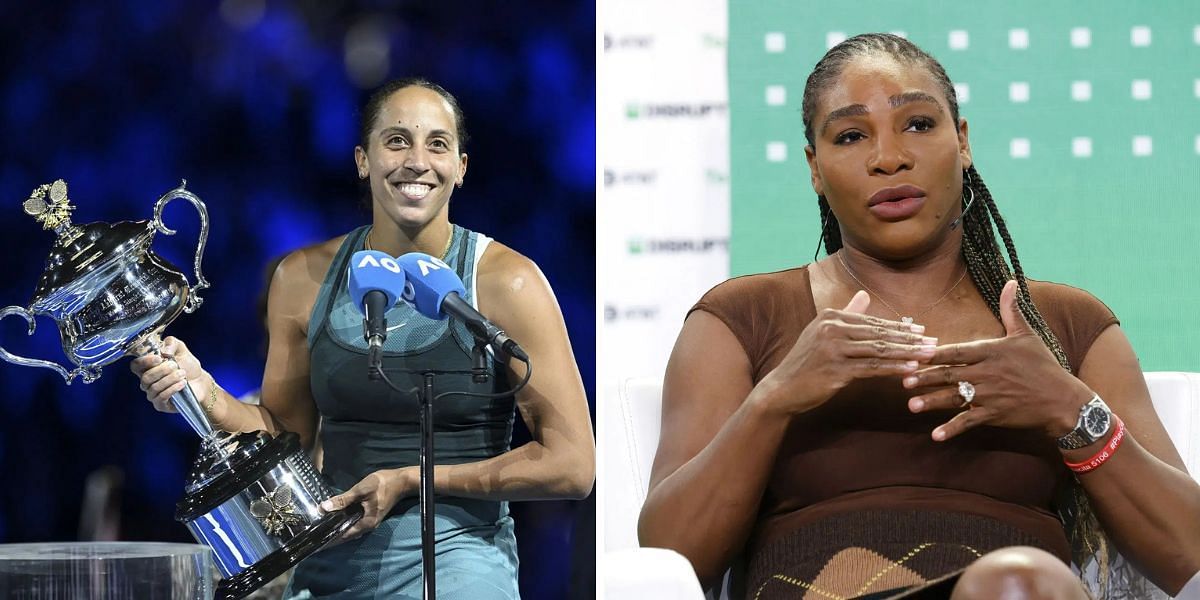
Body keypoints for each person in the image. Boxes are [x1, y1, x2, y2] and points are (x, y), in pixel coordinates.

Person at [637, 34, 1200, 599]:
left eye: (919, 125)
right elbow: (668, 561)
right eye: (852, 135)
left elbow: (1191, 557)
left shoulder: (1069, 324)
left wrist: (1067, 406)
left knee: (1016, 586)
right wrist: (774, 399)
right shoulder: (741, 318)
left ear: (962, 141)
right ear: (814, 167)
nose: (889, 158)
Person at [132, 77, 595, 599]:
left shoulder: (508, 282)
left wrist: (413, 479)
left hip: (461, 559)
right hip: (332, 556)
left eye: (437, 144)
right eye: (397, 140)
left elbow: (573, 465)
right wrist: (204, 392)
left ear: (461, 167)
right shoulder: (302, 278)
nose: (417, 160)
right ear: (362, 159)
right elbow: (288, 435)